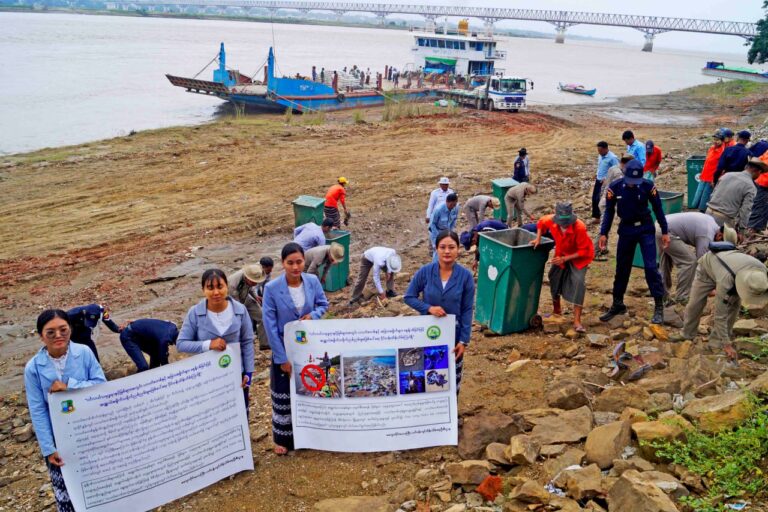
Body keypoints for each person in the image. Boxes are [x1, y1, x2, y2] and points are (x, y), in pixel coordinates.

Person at [25, 309, 106, 512]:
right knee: (66, 489)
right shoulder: (33, 368)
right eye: (50, 332)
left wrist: (70, 385)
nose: (58, 336)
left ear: (70, 329)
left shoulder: (84, 352)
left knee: (98, 483)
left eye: (63, 329)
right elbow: (38, 409)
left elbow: (101, 385)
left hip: (89, 430)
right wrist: (48, 448)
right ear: (40, 335)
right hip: (59, 438)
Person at [262, 243, 329, 454]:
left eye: (299, 262)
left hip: (308, 346)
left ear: (304, 261)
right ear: (283, 264)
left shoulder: (312, 281)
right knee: (283, 392)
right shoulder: (272, 289)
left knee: (309, 387)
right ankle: (283, 440)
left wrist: (314, 315)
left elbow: (323, 305)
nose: (295, 267)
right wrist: (281, 358)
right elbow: (270, 325)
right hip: (284, 348)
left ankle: (310, 434)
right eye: (290, 263)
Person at [598, 159, 670, 324]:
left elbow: (658, 208)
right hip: (626, 229)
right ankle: (617, 304)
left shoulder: (648, 186)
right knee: (622, 268)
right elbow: (609, 212)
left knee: (651, 267)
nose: (632, 184)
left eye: (635, 182)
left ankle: (659, 305)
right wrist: (604, 233)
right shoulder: (614, 188)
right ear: (624, 175)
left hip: (645, 228)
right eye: (630, 181)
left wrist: (665, 231)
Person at [404, 231, 475, 393]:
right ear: (436, 249)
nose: (447, 251)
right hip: (428, 333)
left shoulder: (465, 277)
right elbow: (409, 296)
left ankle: (451, 416)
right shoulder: (425, 272)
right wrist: (428, 308)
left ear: (458, 249)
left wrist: (464, 341)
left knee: (452, 377)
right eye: (442, 247)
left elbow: (466, 310)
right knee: (428, 374)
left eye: (451, 247)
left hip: (454, 336)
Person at [177, 269, 255, 410]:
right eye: (210, 288)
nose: (216, 292)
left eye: (220, 286)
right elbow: (181, 344)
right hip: (208, 378)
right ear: (203, 290)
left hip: (237, 376)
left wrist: (248, 373)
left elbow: (247, 342)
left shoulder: (240, 310)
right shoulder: (195, 313)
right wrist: (208, 344)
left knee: (240, 415)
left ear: (227, 286)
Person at [673, 249, 768, 360]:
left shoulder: (762, 276)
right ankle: (687, 333)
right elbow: (719, 315)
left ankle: (716, 343)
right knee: (695, 303)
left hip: (732, 271)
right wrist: (727, 344)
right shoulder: (726, 281)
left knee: (734, 307)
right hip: (707, 269)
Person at [532, 203, 594, 332]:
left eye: (566, 222)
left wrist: (565, 259)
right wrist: (538, 238)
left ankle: (577, 321)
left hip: (579, 258)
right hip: (561, 253)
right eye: (561, 222)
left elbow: (583, 251)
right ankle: (557, 310)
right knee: (553, 277)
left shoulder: (580, 227)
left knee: (578, 282)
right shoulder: (551, 220)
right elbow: (540, 223)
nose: (564, 224)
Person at [656, 213, 736, 305]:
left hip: (661, 224)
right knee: (689, 262)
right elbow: (702, 263)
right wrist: (709, 288)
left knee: (665, 261)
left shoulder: (712, 224)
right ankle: (682, 297)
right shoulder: (706, 235)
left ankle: (661, 296)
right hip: (667, 230)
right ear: (720, 236)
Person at [706, 157, 761, 231]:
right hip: (724, 220)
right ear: (756, 171)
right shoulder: (750, 187)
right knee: (723, 242)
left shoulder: (727, 175)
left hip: (708, 213)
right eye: (760, 173)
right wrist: (741, 229)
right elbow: (745, 210)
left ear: (746, 167)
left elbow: (713, 195)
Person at [229, 264, 269, 350]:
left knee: (262, 315)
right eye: (254, 281)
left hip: (245, 296)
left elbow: (250, 288)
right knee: (240, 323)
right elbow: (237, 304)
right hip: (232, 302)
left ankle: (264, 343)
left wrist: (256, 297)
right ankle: (240, 346)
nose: (255, 283)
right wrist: (244, 314)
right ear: (247, 278)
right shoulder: (233, 284)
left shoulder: (250, 279)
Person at [692, 130, 726, 212]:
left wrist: (715, 179)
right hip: (704, 176)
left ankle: (703, 213)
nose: (715, 142)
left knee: (706, 197)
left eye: (718, 140)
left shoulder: (723, 152)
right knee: (699, 195)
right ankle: (699, 210)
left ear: (722, 141)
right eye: (714, 139)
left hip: (711, 178)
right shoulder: (711, 148)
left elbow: (721, 168)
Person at [592, 141, 619, 223]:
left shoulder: (613, 158)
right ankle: (597, 217)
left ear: (606, 149)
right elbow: (600, 167)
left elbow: (617, 170)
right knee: (594, 198)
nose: (599, 152)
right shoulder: (600, 156)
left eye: (600, 151)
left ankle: (605, 217)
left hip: (606, 182)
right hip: (598, 180)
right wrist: (597, 174)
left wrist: (607, 179)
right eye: (598, 151)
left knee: (601, 200)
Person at [747, 159, 768, 235]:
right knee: (760, 206)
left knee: (763, 206)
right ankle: (752, 228)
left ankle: (756, 227)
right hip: (764, 182)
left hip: (762, 181)